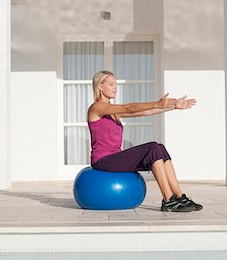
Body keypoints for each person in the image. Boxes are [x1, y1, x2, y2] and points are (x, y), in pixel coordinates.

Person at [87, 70, 203, 212]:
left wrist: (173, 106)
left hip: (115, 156)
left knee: (160, 148)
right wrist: (157, 103)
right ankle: (168, 200)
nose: (115, 87)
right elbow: (128, 108)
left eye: (115, 84)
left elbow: (146, 112)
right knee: (153, 147)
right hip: (103, 160)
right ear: (100, 86)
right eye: (111, 84)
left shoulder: (113, 111)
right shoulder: (96, 108)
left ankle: (179, 197)